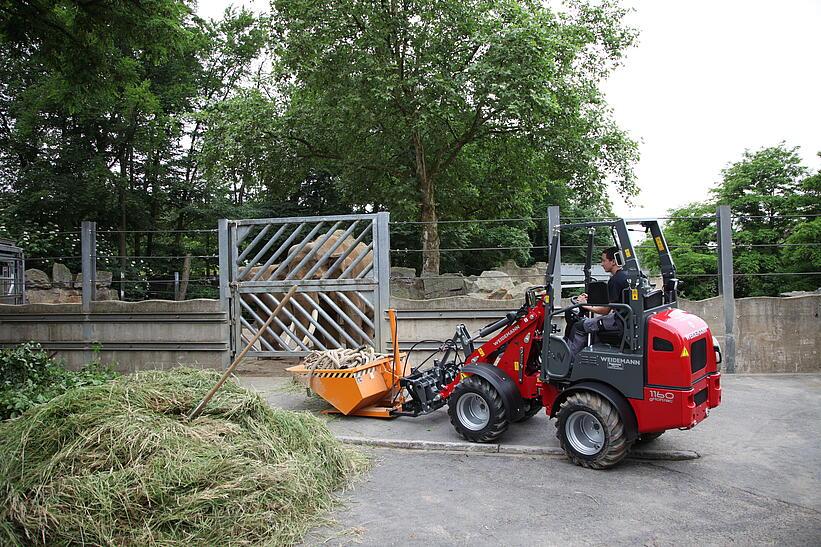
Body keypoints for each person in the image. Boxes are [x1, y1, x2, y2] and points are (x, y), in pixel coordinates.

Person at [566, 246, 630, 359]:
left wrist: (585, 305)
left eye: (604, 260)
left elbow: (604, 311)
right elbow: (611, 300)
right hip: (626, 319)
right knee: (592, 325)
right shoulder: (626, 276)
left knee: (579, 326)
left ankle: (568, 362)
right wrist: (590, 299)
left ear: (613, 261)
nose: (601, 263)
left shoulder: (615, 281)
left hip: (618, 321)